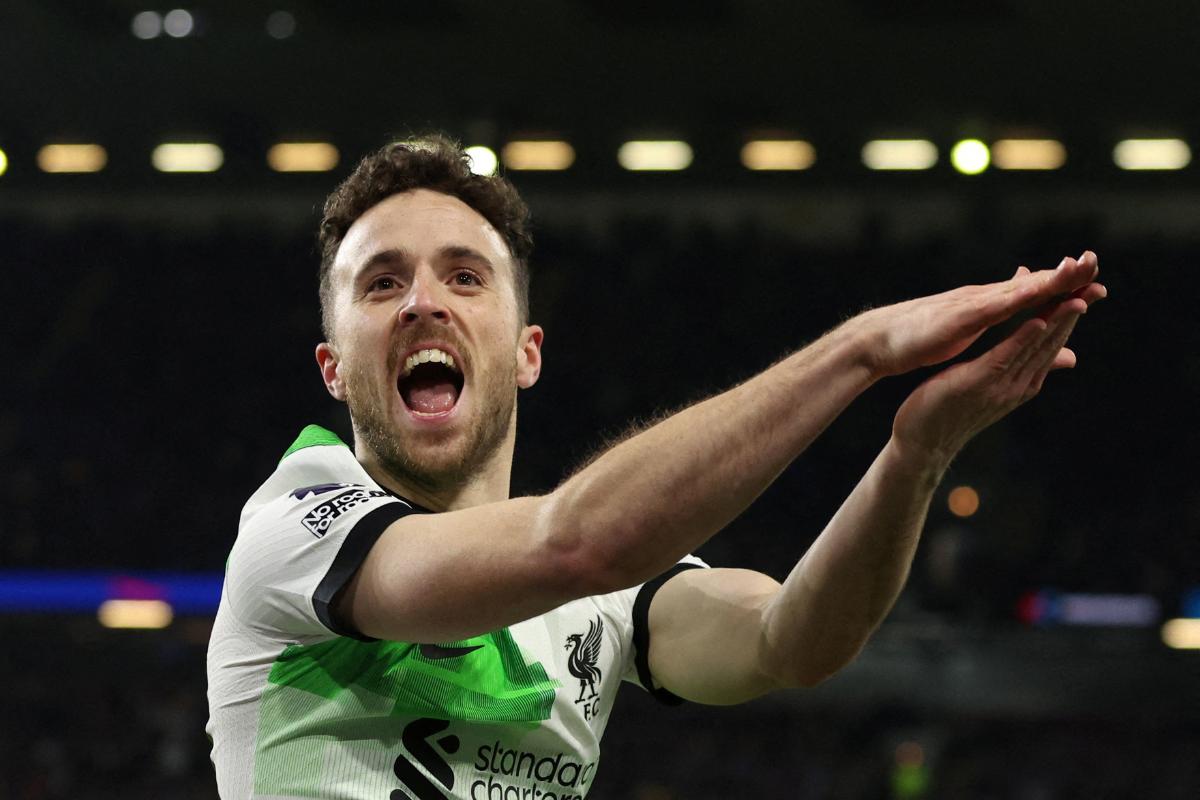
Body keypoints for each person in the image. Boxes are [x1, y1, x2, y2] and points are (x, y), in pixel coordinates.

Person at [206, 134, 1106, 800]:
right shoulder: (296, 526)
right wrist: (859, 352)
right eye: (381, 283)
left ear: (527, 353)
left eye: (466, 277)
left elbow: (789, 641)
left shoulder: (600, 600)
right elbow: (576, 543)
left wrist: (917, 452)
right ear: (332, 366)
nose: (424, 304)